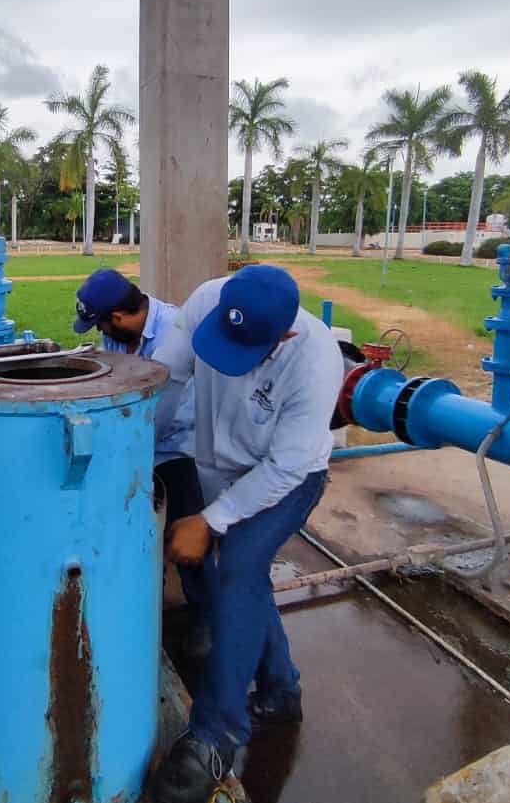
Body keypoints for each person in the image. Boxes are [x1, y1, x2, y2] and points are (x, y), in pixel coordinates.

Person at [146, 265, 344, 803]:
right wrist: (137, 447)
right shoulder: (206, 297)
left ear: (284, 335)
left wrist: (211, 520)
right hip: (221, 469)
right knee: (248, 581)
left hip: (285, 480)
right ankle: (281, 692)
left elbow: (286, 466)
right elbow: (167, 380)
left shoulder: (316, 362)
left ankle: (218, 734)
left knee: (237, 572)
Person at [72, 270, 202, 598]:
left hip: (179, 448)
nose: (102, 333)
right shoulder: (119, 334)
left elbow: (175, 408)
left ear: (116, 316)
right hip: (134, 445)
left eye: (100, 325)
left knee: (186, 535)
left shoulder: (176, 331)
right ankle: (144, 599)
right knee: (132, 532)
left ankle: (205, 616)